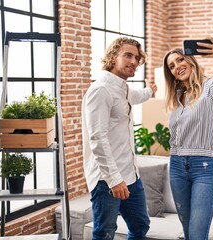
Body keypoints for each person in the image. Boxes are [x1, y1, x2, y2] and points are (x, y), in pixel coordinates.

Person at [82, 37, 157, 240]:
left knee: (140, 226)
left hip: (131, 176)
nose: (134, 61)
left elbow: (136, 96)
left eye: (137, 58)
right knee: (105, 233)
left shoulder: (122, 88)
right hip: (107, 180)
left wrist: (151, 91)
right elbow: (97, 138)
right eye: (128, 55)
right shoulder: (101, 90)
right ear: (112, 57)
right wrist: (114, 180)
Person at [162, 36, 213, 240]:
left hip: (204, 166)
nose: (177, 66)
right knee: (187, 232)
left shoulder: (210, 88)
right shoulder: (176, 97)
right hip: (176, 166)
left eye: (180, 60)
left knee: (197, 234)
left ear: (190, 61)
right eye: (172, 66)